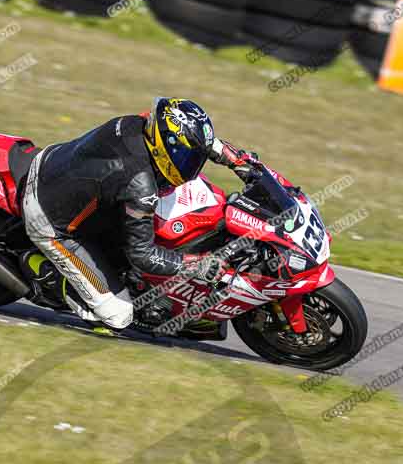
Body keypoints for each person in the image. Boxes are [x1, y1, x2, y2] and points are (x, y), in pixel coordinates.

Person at [21, 97, 260, 330]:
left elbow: (191, 138)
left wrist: (236, 160)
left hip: (57, 165)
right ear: (164, 146)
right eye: (186, 157)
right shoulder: (140, 186)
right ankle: (50, 274)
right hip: (50, 221)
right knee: (119, 316)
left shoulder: (143, 123)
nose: (191, 164)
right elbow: (142, 255)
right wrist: (197, 265)